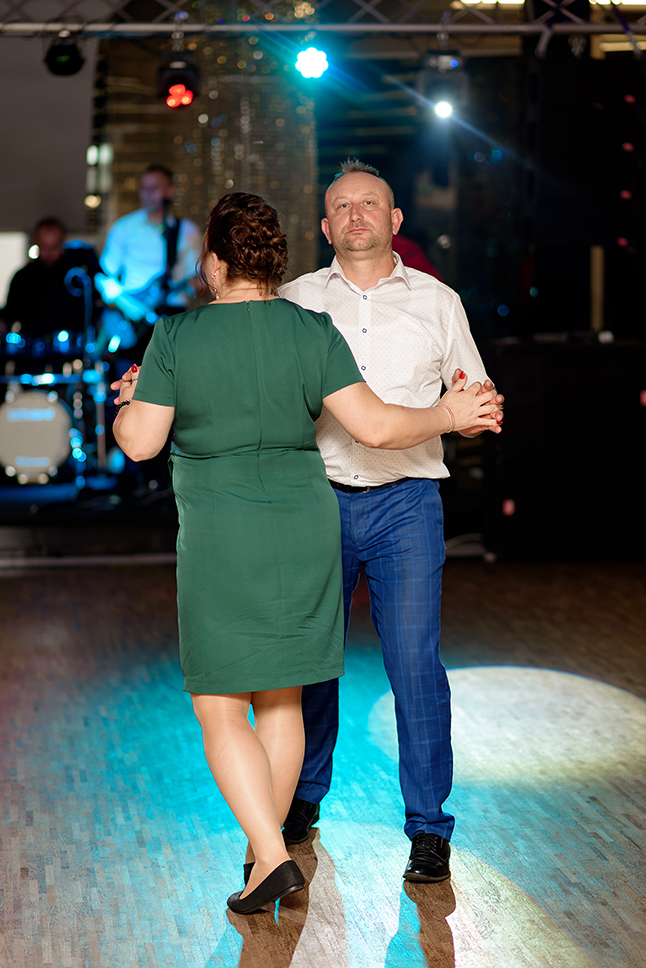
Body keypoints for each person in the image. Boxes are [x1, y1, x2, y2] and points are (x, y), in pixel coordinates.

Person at [110, 192, 500, 914]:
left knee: (221, 707)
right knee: (283, 700)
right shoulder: (311, 326)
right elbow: (375, 425)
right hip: (305, 528)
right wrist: (450, 413)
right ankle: (265, 859)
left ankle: (271, 853)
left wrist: (130, 402)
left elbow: (139, 442)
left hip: (224, 538)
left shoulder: (175, 335)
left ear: (214, 263)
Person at [278, 159, 504, 884]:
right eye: (342, 206)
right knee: (311, 664)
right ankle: (301, 798)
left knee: (414, 666)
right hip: (316, 501)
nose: (356, 214)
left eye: (369, 203)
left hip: (407, 503)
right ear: (325, 226)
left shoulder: (439, 302)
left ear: (395, 219)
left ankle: (429, 828)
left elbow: (475, 397)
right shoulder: (295, 299)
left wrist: (478, 408)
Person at [97, 165, 201, 357]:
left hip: (173, 314)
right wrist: (127, 304)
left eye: (154, 189)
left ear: (169, 191)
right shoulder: (124, 227)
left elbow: (197, 277)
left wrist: (197, 286)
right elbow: (103, 276)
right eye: (144, 188)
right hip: (131, 315)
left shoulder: (186, 230)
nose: (147, 194)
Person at [1, 217, 98, 343]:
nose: (49, 253)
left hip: (72, 348)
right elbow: (9, 315)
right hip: (32, 349)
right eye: (45, 247)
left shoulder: (76, 276)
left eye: (54, 247)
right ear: (36, 243)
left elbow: (94, 312)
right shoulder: (23, 277)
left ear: (62, 243)